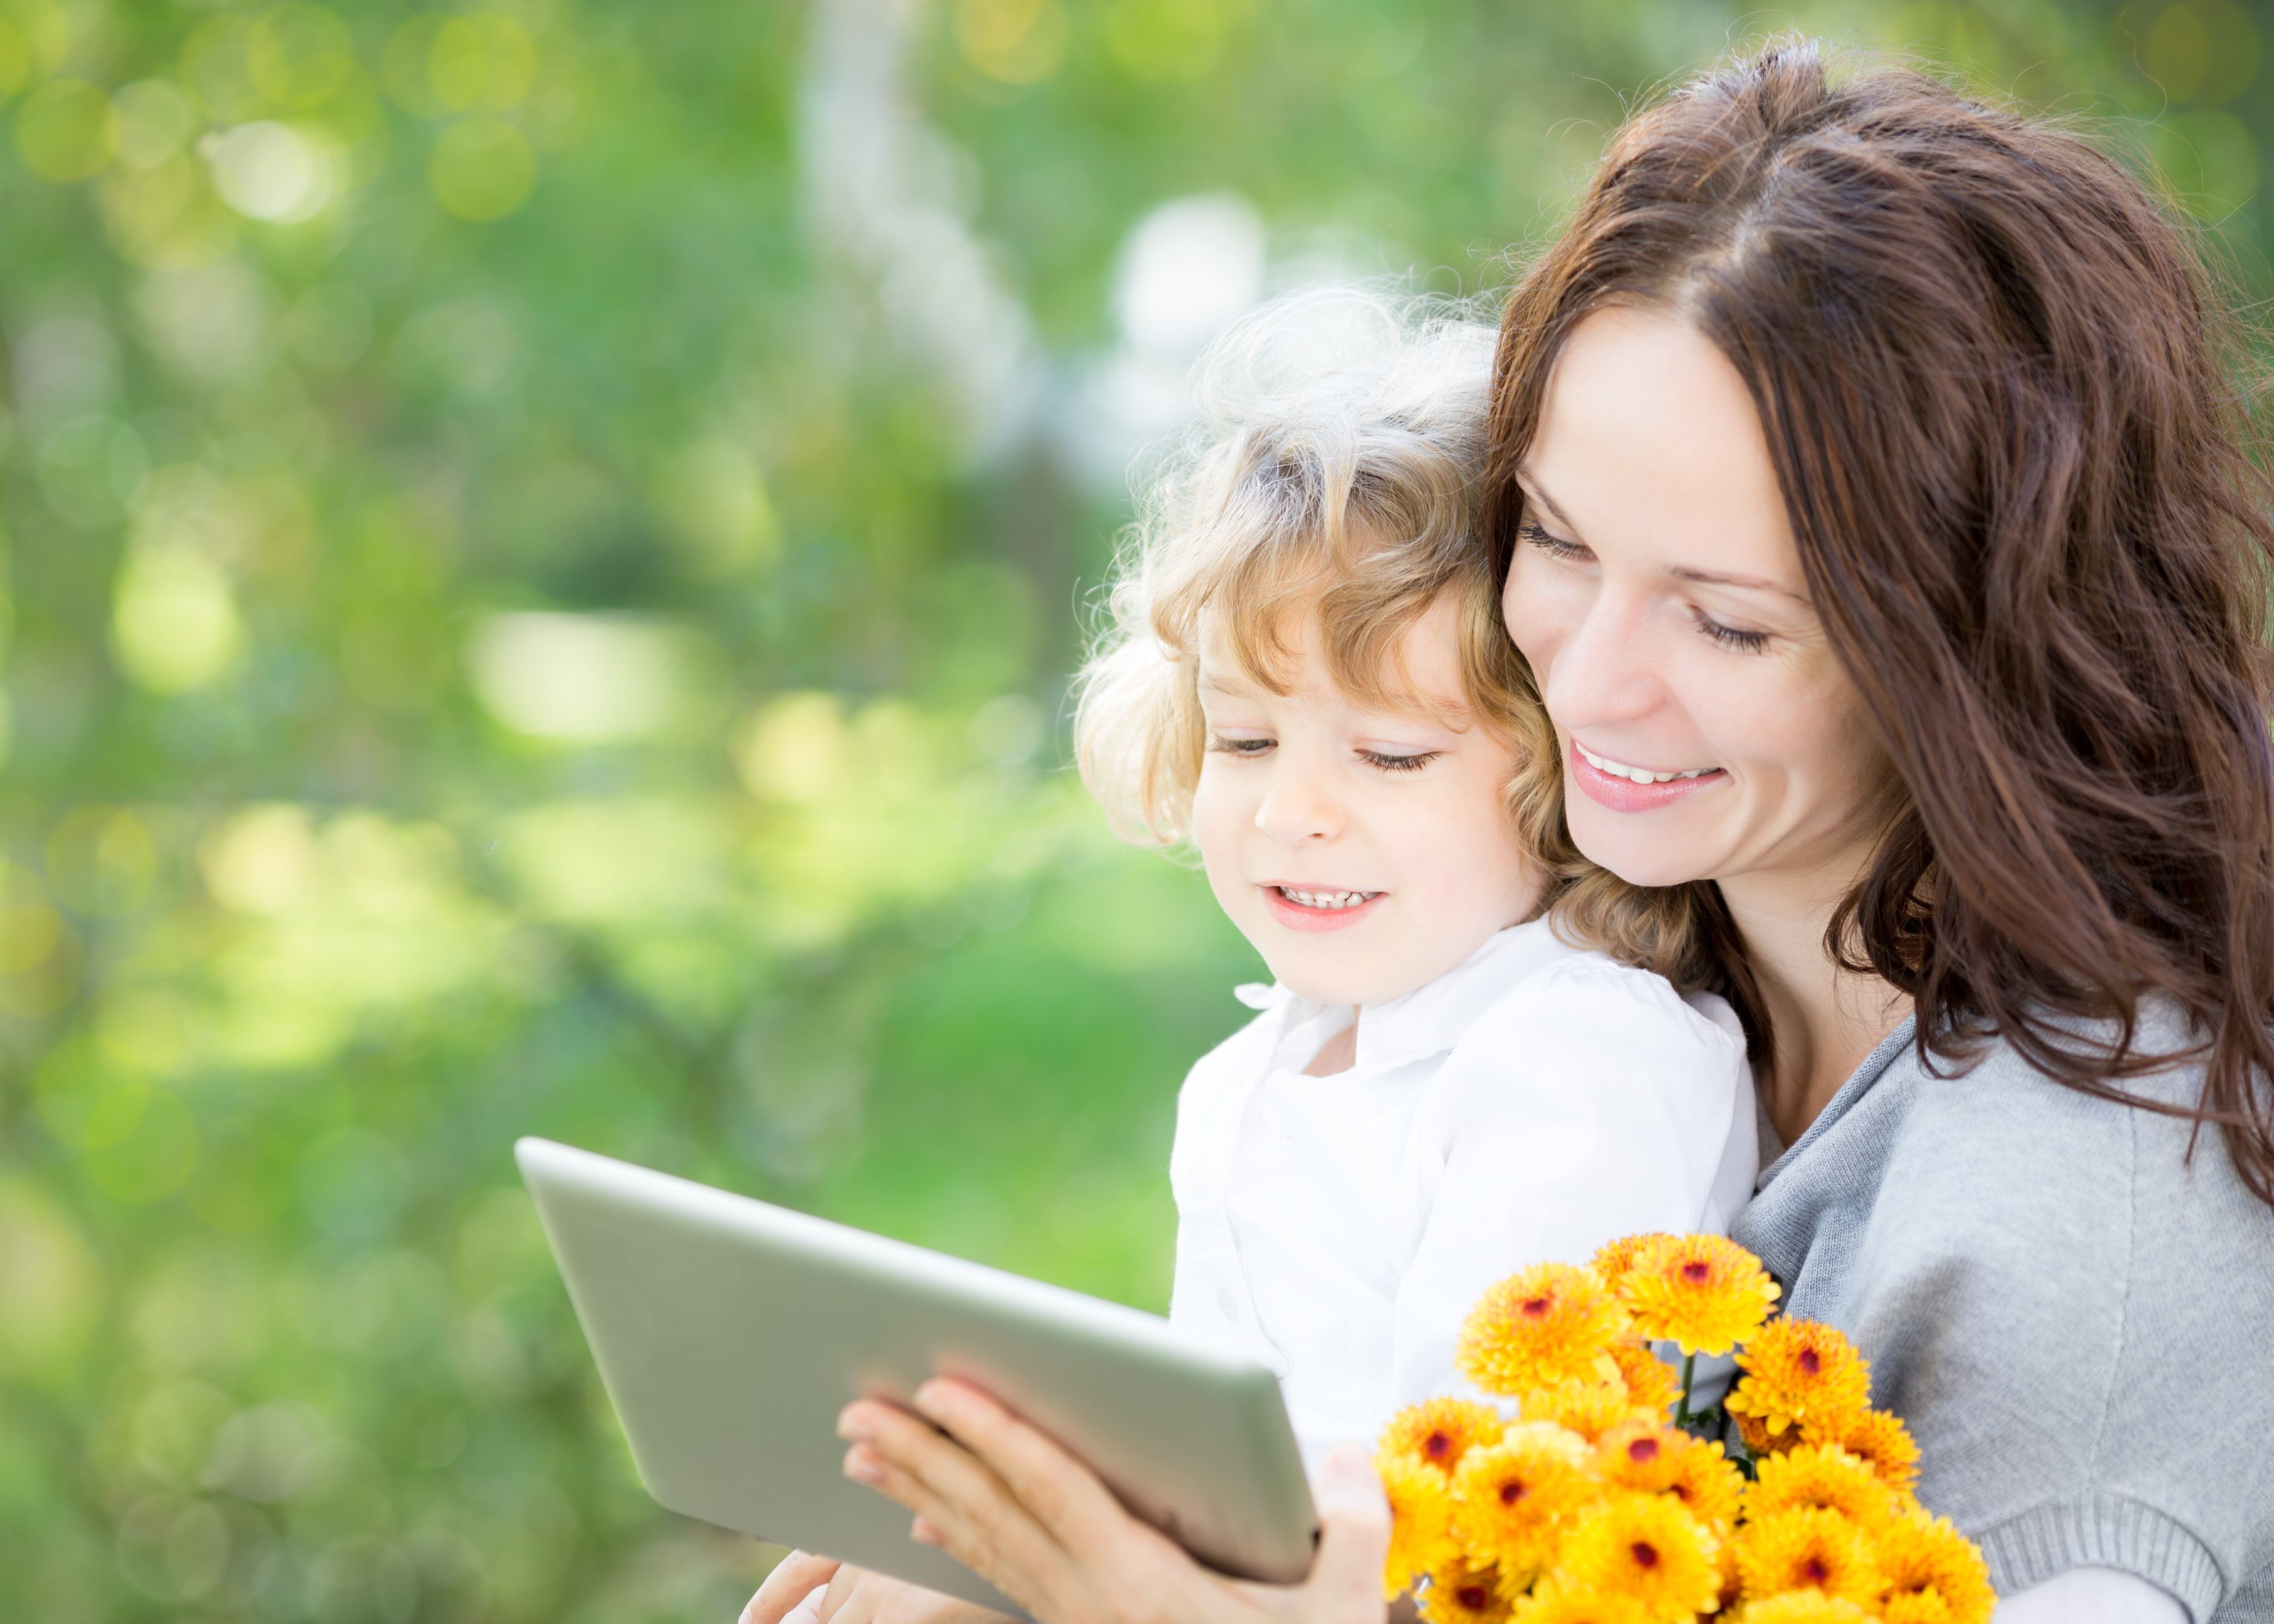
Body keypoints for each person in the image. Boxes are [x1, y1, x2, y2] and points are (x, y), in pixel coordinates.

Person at [804, 41, 2274, 1624]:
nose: (1585, 682)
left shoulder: (2079, 1231)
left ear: (1969, 641)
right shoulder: (1586, 911)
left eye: (1727, 626)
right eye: (1558, 541)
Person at [745, 286, 1756, 1622]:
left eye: (1391, 753)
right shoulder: (1260, 1068)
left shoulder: (1579, 1057)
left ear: (1565, 767)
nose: (1292, 812)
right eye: (1244, 738)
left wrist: (1029, 1569)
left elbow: (1463, 1523)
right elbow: (1222, 1469)